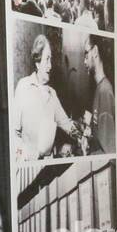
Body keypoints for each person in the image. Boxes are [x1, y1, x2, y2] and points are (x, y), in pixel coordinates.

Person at [13, 33, 77, 161]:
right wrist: (24, 156)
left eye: (50, 59)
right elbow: (14, 132)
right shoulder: (23, 86)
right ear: (37, 62)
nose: (50, 66)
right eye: (47, 59)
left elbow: (66, 123)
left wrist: (81, 135)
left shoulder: (52, 93)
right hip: (28, 165)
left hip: (48, 163)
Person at [84, 33, 116, 153]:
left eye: (86, 54)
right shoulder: (99, 88)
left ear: (95, 51)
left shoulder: (104, 91)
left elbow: (110, 151)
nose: (84, 61)